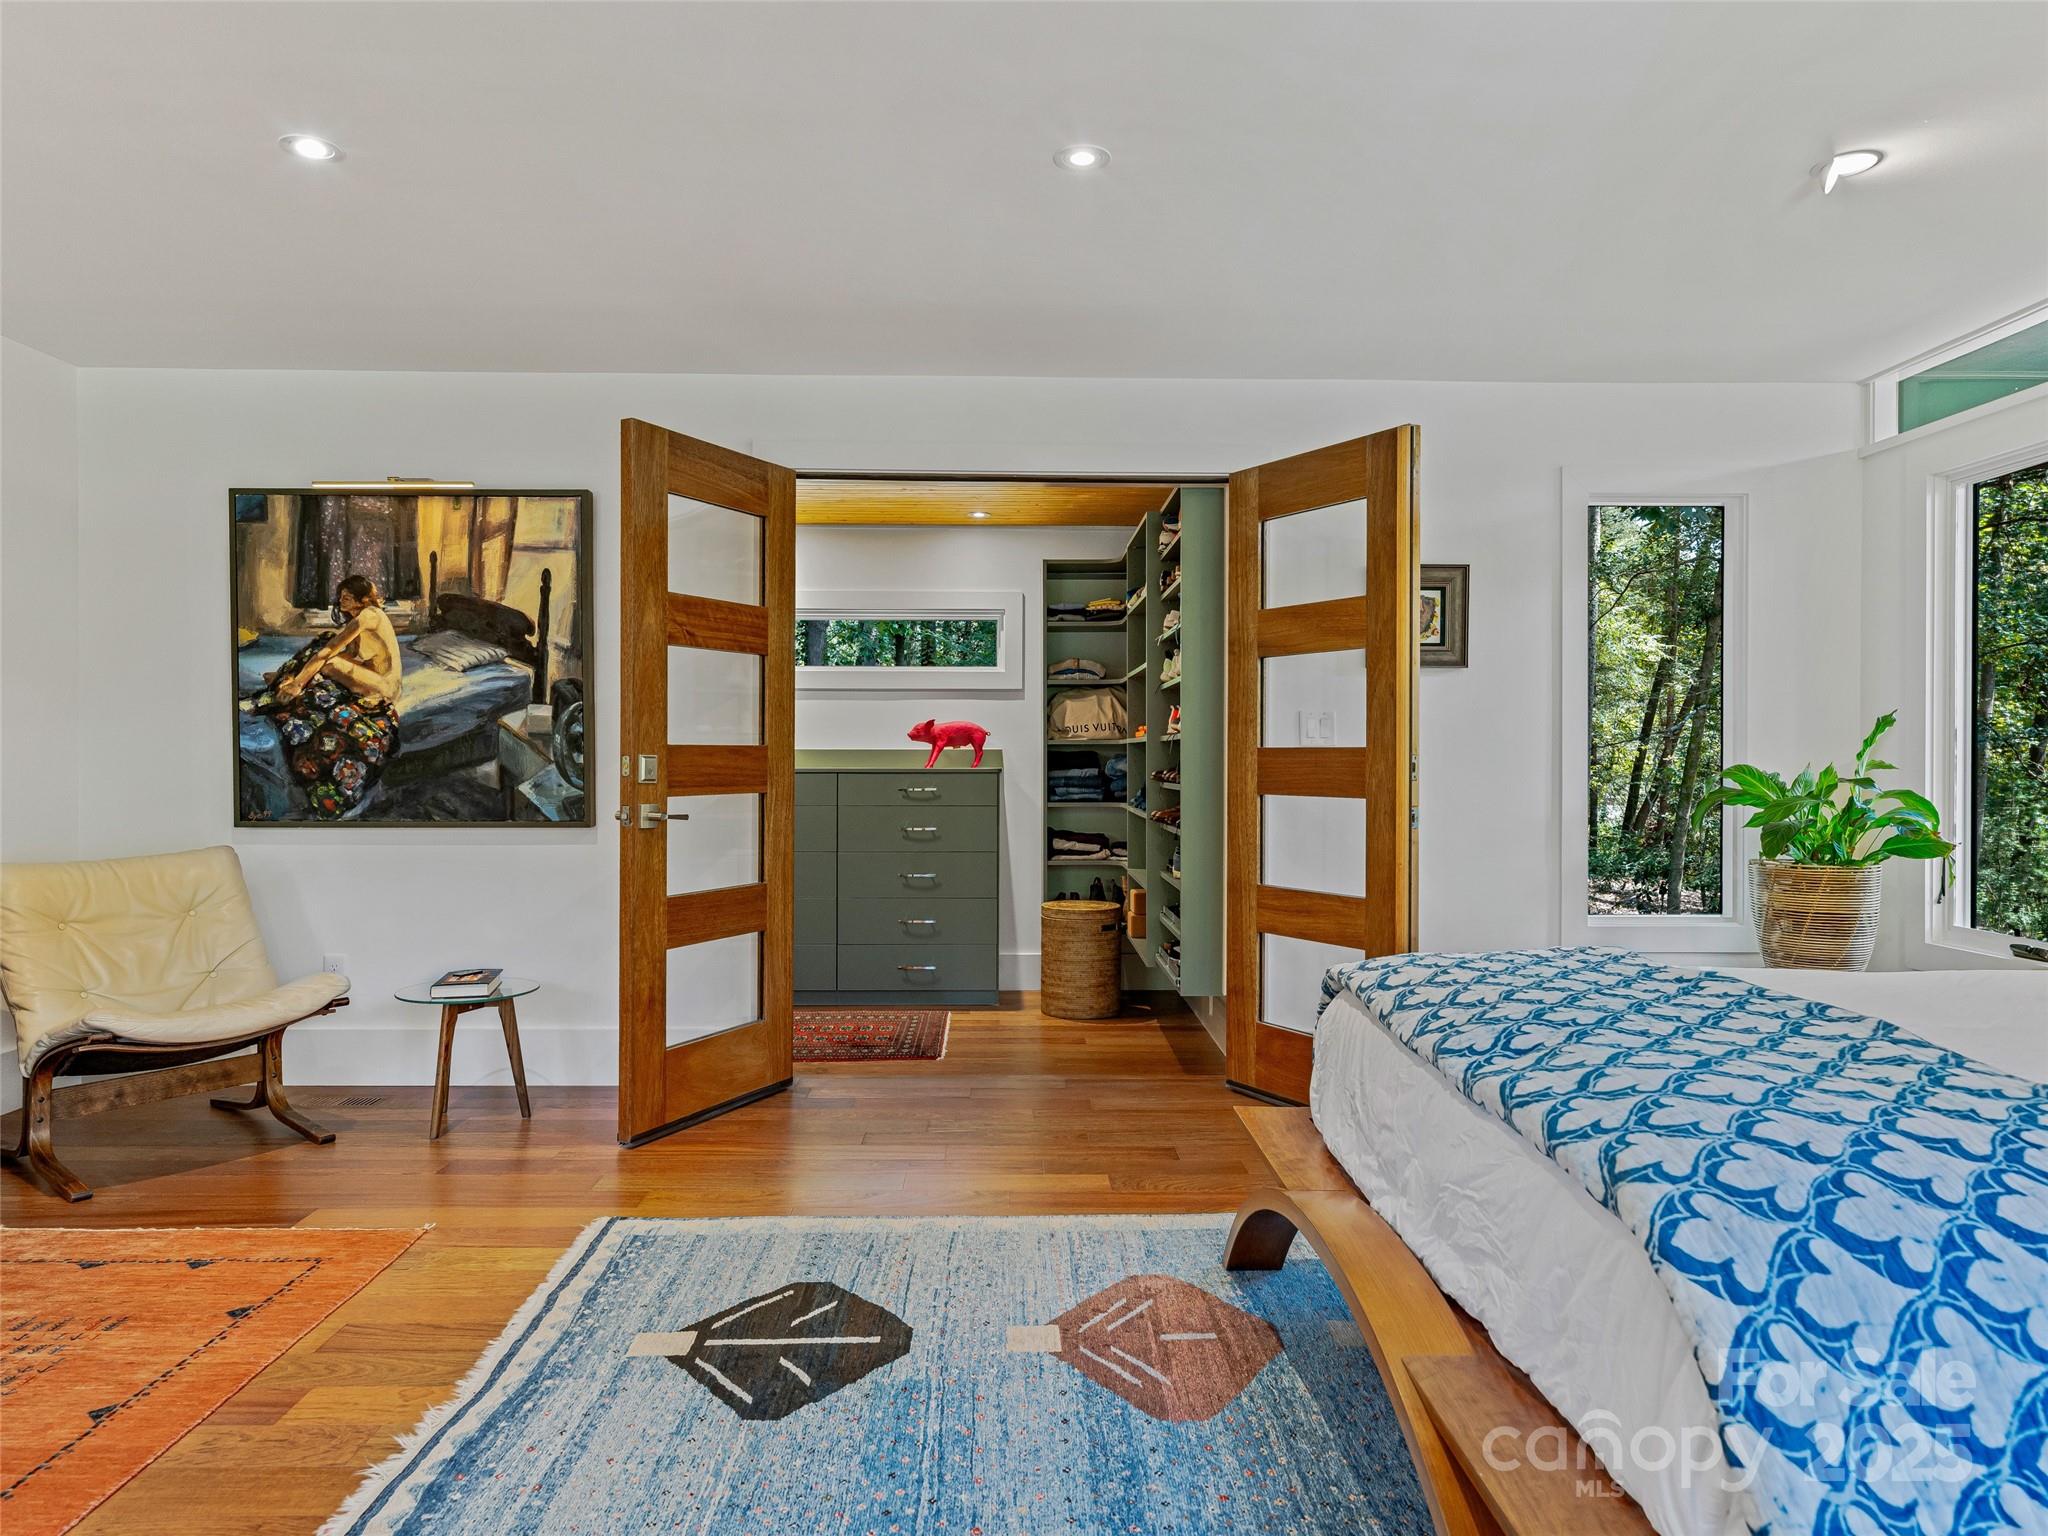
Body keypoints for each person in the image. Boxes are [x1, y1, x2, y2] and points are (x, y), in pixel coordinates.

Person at [275, 574, 402, 708]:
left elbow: (330, 650)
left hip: (386, 687)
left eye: (346, 598)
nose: (341, 601)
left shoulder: (368, 616)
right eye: (341, 597)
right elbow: (350, 653)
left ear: (362, 601)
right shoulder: (358, 618)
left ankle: (293, 682)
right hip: (373, 677)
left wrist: (299, 683)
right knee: (325, 643)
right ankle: (287, 675)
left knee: (330, 662)